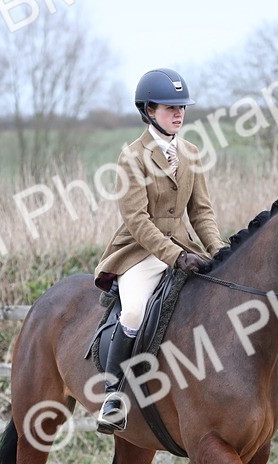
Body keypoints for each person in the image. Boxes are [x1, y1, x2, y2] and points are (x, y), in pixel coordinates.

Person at [92, 67, 225, 433]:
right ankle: (114, 394)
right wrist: (175, 256)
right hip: (140, 252)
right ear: (149, 110)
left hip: (185, 247)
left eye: (181, 107)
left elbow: (202, 212)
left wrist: (219, 249)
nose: (178, 113)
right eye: (170, 108)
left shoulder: (191, 153)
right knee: (133, 312)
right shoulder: (131, 158)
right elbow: (137, 221)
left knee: (230, 296)